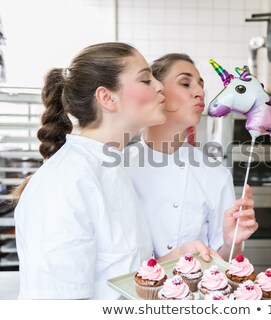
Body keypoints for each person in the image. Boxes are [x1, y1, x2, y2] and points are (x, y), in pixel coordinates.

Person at [14, 43, 214, 300]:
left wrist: (172, 260)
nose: (159, 86)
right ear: (107, 98)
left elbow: (116, 278)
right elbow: (58, 306)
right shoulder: (66, 182)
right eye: (145, 79)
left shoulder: (112, 168)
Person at [125, 53, 257, 260]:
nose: (200, 92)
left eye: (200, 84)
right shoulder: (119, 166)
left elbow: (219, 260)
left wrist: (232, 242)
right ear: (156, 90)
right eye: (185, 84)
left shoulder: (215, 173)